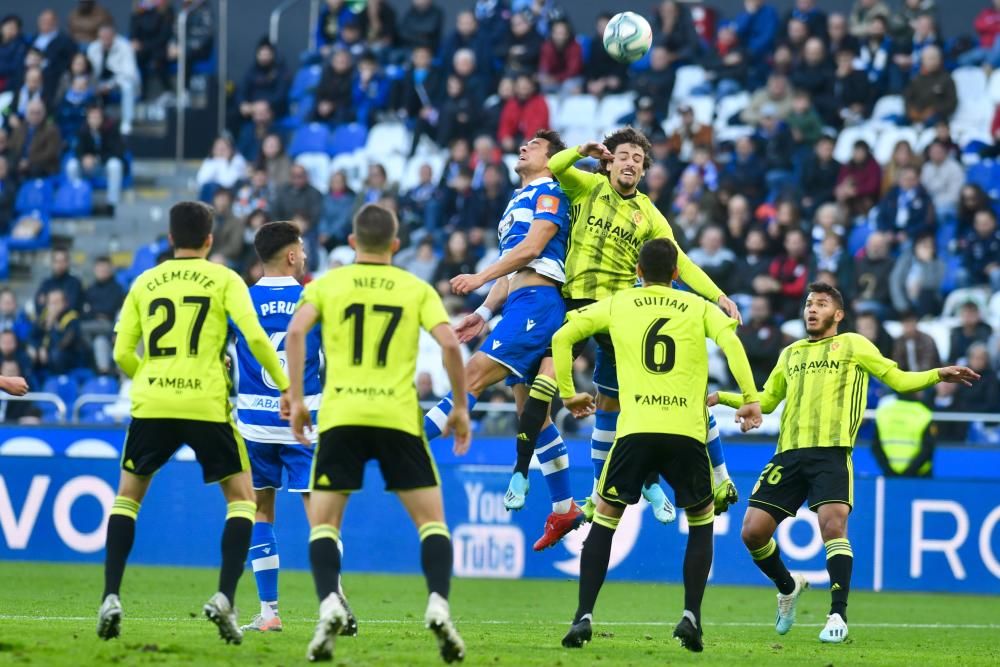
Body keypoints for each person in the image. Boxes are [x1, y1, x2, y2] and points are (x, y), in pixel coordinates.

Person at [710, 282, 979, 645]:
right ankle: (788, 587)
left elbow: (896, 378)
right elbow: (768, 401)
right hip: (788, 454)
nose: (811, 309)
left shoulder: (853, 345)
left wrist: (936, 374)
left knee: (833, 527)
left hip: (832, 453)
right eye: (808, 304)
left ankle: (837, 613)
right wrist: (722, 397)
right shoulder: (791, 353)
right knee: (752, 532)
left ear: (837, 314)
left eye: (820, 304)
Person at [513, 127, 743, 548]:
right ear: (609, 161)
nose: (631, 162)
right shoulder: (587, 186)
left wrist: (718, 295)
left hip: (619, 313)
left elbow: (681, 263)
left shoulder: (650, 215)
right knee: (554, 392)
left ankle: (684, 480)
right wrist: (581, 151)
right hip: (573, 303)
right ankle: (541, 479)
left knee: (646, 393)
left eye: (638, 158)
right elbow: (555, 167)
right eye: (624, 155)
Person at [96, 201, 291, 644]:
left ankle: (110, 595)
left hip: (153, 404)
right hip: (206, 403)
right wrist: (284, 386)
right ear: (209, 240)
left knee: (127, 499)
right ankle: (224, 597)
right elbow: (256, 337)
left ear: (169, 239)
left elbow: (122, 354)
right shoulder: (224, 278)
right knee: (243, 499)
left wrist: (152, 376)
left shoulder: (145, 281)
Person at [556, 238, 763, 652]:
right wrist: (751, 398)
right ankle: (691, 616)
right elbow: (732, 342)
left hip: (635, 432)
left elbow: (563, 337)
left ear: (637, 272)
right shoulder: (699, 307)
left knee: (606, 521)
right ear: (675, 275)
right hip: (686, 434)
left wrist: (567, 393)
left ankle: (583, 616)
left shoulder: (618, 303)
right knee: (702, 522)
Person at [284, 204, 469, 663]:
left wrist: (298, 397)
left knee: (324, 523)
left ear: (351, 243)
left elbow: (295, 331)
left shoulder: (328, 283)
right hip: (398, 418)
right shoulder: (415, 287)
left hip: (343, 415)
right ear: (395, 245)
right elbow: (449, 343)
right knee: (431, 523)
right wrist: (461, 406)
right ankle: (438, 606)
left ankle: (330, 602)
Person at [424, 129, 582, 541]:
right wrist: (483, 310)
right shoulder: (518, 198)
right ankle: (565, 508)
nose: (525, 145)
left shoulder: (551, 192)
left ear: (550, 160)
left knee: (471, 377)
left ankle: (407, 446)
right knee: (532, 414)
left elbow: (532, 250)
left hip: (539, 304)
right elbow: (512, 266)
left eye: (536, 144)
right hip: (517, 303)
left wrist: (479, 277)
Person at [231, 222, 352, 635]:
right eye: (300, 248)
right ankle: (334, 604)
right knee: (320, 515)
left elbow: (223, 352)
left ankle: (269, 613)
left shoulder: (242, 301)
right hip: (305, 421)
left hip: (255, 424)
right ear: (291, 256)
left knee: (260, 509)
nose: (304, 254)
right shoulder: (313, 297)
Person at [67, 105, 126, 214]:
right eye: (92, 117)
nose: (94, 120)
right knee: (71, 165)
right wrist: (83, 158)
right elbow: (77, 150)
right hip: (87, 167)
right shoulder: (82, 130)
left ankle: (112, 203)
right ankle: (76, 198)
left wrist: (96, 159)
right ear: (87, 118)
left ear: (102, 118)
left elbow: (117, 151)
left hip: (104, 166)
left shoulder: (111, 129)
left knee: (115, 165)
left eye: (97, 117)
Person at [87, 23, 140, 134]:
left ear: (114, 36)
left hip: (119, 82)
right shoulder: (93, 48)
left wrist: (110, 85)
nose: (105, 39)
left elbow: (129, 73)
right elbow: (90, 72)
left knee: (128, 86)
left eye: (108, 36)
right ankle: (89, 122)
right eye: (102, 37)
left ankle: (127, 122)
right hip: (99, 83)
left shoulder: (125, 47)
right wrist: (96, 86)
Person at [872, 394, 935, 477]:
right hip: (918, 477)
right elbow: (928, 448)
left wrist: (888, 470)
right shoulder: (924, 413)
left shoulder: (883, 412)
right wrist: (909, 473)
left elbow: (875, 446)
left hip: (890, 475)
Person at [9, 99, 62, 179]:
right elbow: (12, 148)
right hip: (19, 164)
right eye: (32, 113)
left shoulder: (52, 130)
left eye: (38, 113)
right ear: (26, 114)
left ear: (44, 114)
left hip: (42, 166)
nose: (35, 116)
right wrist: (19, 162)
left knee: (35, 170)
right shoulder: (19, 129)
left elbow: (51, 153)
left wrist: (29, 161)